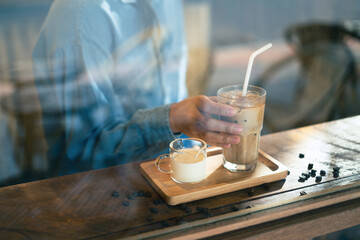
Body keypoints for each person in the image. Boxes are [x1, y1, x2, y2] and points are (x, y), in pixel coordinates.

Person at [32, 0, 242, 176]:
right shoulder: (80, 17)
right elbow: (83, 156)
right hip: (105, 193)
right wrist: (171, 119)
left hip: (177, 172)